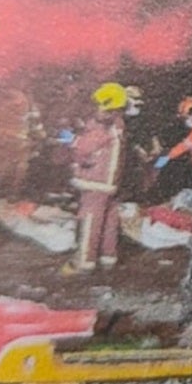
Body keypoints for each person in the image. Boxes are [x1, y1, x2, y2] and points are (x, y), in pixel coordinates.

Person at [61, 82, 129, 275]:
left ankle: (84, 262)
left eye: (99, 105)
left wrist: (70, 139)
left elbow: (84, 147)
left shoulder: (102, 128)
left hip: (95, 182)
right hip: (111, 183)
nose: (95, 110)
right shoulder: (119, 125)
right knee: (109, 221)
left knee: (90, 221)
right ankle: (108, 257)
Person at [0, 83, 44, 200]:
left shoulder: (1, 103)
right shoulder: (27, 103)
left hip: (3, 139)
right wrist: (41, 136)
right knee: (19, 168)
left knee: (3, 166)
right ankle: (13, 194)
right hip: (20, 141)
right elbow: (35, 123)